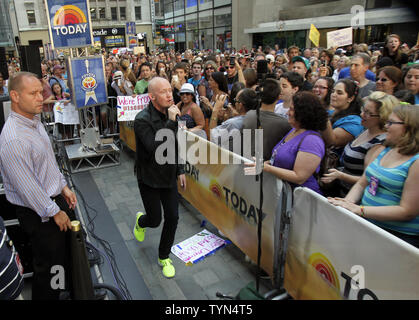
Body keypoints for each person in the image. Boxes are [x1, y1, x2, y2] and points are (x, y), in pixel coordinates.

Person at [0, 72, 77, 299]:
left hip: (53, 201)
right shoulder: (14, 139)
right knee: (48, 267)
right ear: (14, 96)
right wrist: (54, 211)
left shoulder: (35, 122)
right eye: (32, 93)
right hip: (40, 213)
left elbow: (48, 163)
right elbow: (28, 187)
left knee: (60, 261)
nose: (40, 98)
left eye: (40, 93)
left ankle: (61, 292)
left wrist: (62, 186)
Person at [328, 104, 419, 248]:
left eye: (391, 123)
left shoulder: (416, 161)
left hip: (398, 238)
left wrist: (361, 210)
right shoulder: (387, 149)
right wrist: (348, 203)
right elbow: (363, 182)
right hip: (370, 226)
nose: (386, 126)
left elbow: (407, 211)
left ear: (409, 127)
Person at [133, 77, 186, 278]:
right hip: (149, 177)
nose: (169, 95)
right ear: (152, 96)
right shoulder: (142, 119)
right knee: (155, 220)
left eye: (170, 91)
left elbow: (179, 144)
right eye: (163, 92)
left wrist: (180, 169)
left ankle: (164, 256)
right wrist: (172, 122)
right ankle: (141, 221)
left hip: (169, 175)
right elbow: (156, 149)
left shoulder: (175, 114)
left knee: (173, 217)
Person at [245, 91, 328, 194]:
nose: (287, 112)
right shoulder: (293, 130)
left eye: (292, 109)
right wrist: (266, 164)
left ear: (304, 113)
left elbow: (299, 177)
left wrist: (267, 168)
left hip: (301, 200)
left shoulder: (312, 141)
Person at [321, 91, 399, 196]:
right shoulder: (366, 130)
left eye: (368, 113)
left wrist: (341, 176)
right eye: (363, 110)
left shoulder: (380, 143)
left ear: (382, 117)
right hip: (341, 191)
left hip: (355, 198)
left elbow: (368, 179)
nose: (362, 115)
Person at [242, 78, 292, 161]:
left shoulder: (249, 115)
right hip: (266, 169)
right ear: (279, 96)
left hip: (246, 163)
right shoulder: (284, 124)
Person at [322, 79, 363, 156]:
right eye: (333, 91)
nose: (334, 95)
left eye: (339, 93)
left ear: (350, 98)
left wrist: (322, 117)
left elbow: (332, 140)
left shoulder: (354, 122)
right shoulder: (329, 113)